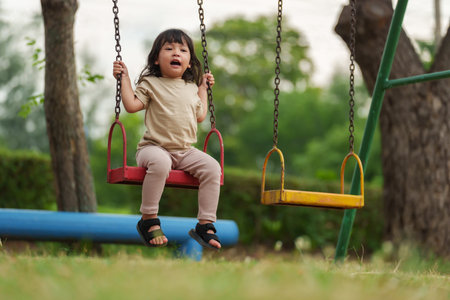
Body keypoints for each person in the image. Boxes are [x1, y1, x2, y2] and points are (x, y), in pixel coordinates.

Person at [112, 29, 221, 250]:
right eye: (169, 49)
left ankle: (205, 224)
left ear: (189, 62)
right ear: (156, 58)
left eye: (183, 50)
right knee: (160, 163)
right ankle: (149, 219)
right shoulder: (151, 83)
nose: (176, 53)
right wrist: (123, 79)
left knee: (212, 168)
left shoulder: (190, 87)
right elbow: (132, 105)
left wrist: (202, 89)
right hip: (154, 148)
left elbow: (200, 116)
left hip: (185, 151)